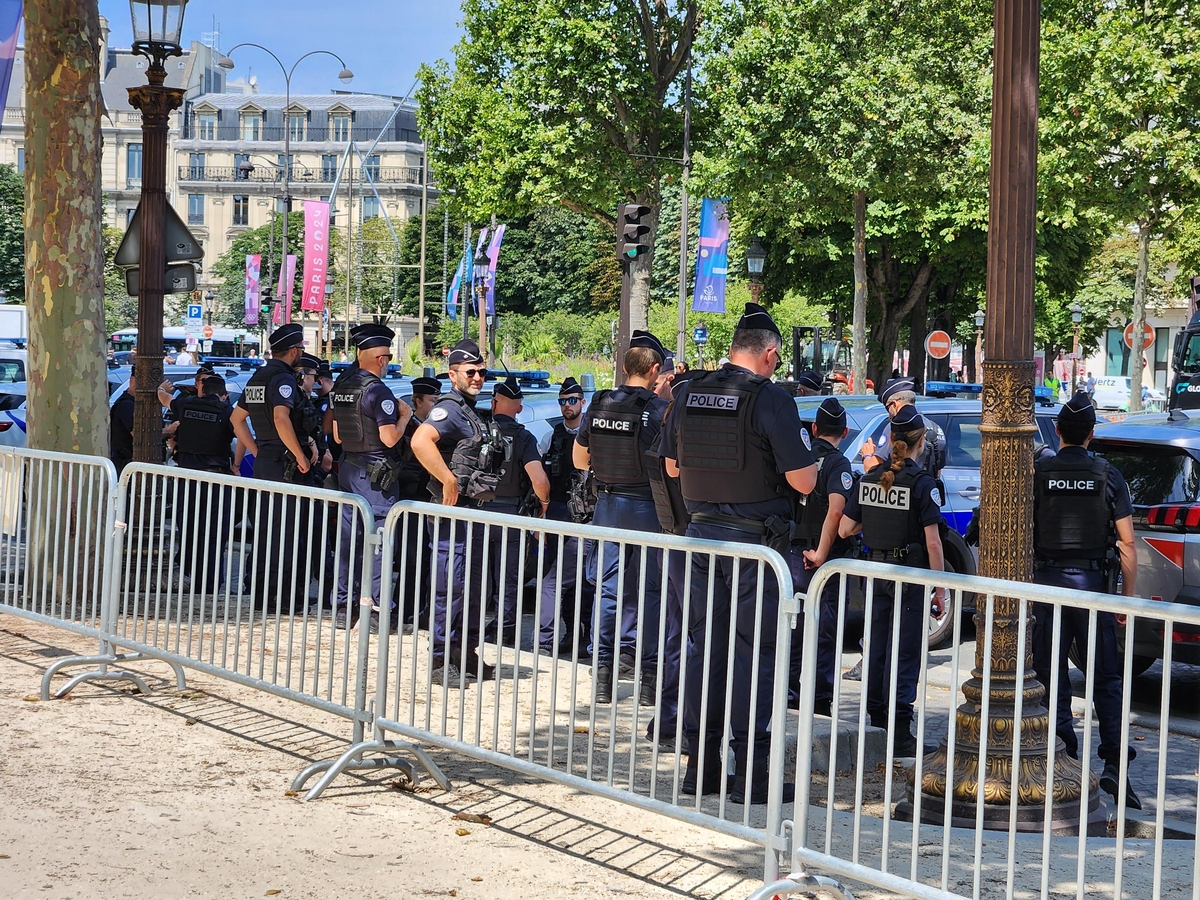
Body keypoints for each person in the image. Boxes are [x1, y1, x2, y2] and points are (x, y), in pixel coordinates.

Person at [662, 303, 817, 804]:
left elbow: (670, 468)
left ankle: (699, 769)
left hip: (701, 539)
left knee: (702, 649)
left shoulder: (687, 394)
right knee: (756, 653)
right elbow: (804, 480)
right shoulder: (771, 399)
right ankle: (751, 774)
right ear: (770, 354)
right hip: (755, 548)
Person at [1031, 391, 1140, 809]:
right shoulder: (1108, 475)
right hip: (1092, 589)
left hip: (1045, 587)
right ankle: (1115, 766)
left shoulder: (1040, 472)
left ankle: (1063, 756)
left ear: (1057, 431)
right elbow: (1127, 544)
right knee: (1106, 680)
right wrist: (1125, 600)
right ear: (1092, 434)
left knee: (1050, 675)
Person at [838, 403, 946, 757]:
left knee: (878, 648)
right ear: (921, 443)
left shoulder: (871, 478)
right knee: (905, 653)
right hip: (909, 578)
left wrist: (879, 517)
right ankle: (899, 732)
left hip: (876, 574)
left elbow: (846, 527)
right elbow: (933, 542)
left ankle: (876, 721)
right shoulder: (921, 483)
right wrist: (941, 587)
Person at [574, 330, 669, 706]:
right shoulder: (658, 410)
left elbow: (580, 461)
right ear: (655, 370)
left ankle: (602, 679)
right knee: (651, 593)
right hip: (647, 509)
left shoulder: (598, 404)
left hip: (607, 508)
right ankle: (647, 681)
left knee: (608, 592)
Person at [410, 339, 502, 685]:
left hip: (474, 513)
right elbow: (420, 440)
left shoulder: (469, 409)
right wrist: (447, 479)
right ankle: (439, 660)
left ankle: (465, 653)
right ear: (453, 374)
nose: (478, 377)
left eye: (481, 371)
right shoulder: (448, 409)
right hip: (453, 513)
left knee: (476, 587)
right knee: (451, 586)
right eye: (470, 372)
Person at [329, 325, 412, 632]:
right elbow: (389, 439)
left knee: (349, 541)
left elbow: (337, 436)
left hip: (349, 470)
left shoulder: (342, 386)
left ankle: (342, 607)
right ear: (381, 359)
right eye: (388, 358)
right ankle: (377, 612)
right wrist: (404, 417)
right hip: (376, 477)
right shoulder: (379, 392)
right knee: (379, 544)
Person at [230, 323, 311, 610]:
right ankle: (285, 600)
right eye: (301, 348)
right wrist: (300, 456)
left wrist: (256, 450)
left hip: (265, 463)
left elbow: (236, 420)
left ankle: (262, 595)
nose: (302, 352)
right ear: (292, 351)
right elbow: (281, 418)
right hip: (286, 466)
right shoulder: (282, 379)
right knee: (288, 533)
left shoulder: (257, 378)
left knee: (265, 532)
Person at [792, 397, 855, 715]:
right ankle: (818, 702)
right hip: (822, 559)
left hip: (792, 552)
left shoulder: (798, 456)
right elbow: (836, 509)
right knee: (824, 633)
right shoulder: (838, 464)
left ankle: (788, 694)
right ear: (844, 432)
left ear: (815, 428)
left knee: (792, 627)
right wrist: (822, 552)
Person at [483, 377, 550, 643]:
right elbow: (539, 480)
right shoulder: (524, 437)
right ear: (520, 407)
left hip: (476, 512)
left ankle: (473, 625)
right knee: (508, 577)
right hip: (511, 515)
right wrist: (543, 505)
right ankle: (505, 628)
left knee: (477, 573)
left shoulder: (480, 430)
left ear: (493, 403)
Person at [537, 377, 592, 655]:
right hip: (558, 512)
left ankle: (580, 637)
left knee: (582, 581)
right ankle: (564, 637)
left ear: (583, 402)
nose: (567, 405)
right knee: (559, 579)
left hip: (584, 517)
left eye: (572, 400)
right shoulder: (551, 436)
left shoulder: (590, 435)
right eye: (562, 401)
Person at [170, 375, 237, 590]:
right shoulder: (227, 411)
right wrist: (236, 466)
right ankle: (209, 584)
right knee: (214, 535)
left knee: (188, 531)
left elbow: (164, 398)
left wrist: (161, 388)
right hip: (215, 480)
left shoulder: (185, 404)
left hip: (187, 479)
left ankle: (186, 578)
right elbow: (242, 434)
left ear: (202, 391)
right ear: (224, 395)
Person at [394, 376, 441, 631]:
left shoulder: (437, 427)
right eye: (433, 401)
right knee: (412, 558)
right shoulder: (410, 428)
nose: (437, 406)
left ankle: (422, 610)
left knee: (428, 559)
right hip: (412, 499)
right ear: (417, 401)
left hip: (430, 500)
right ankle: (403, 610)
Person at [110, 367, 137, 475]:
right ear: (132, 380)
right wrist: (168, 430)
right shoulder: (127, 405)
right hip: (124, 464)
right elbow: (140, 436)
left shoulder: (131, 403)